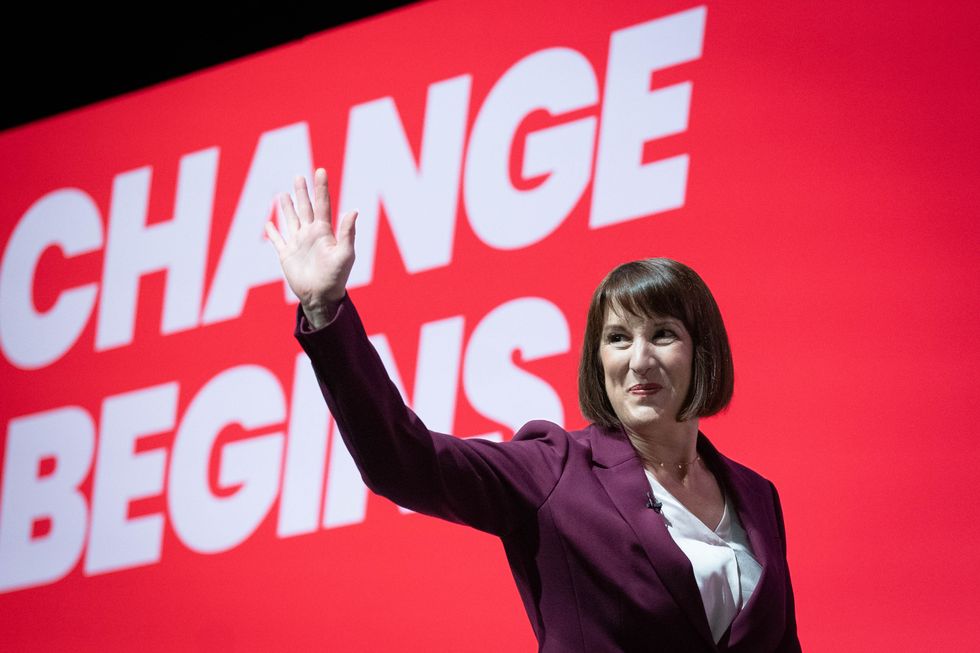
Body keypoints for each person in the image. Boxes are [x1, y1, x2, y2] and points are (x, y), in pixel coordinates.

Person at [266, 170, 801, 652]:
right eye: (617, 339)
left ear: (701, 350)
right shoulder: (556, 471)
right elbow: (404, 462)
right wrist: (325, 310)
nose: (639, 360)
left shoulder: (756, 495)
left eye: (662, 335)